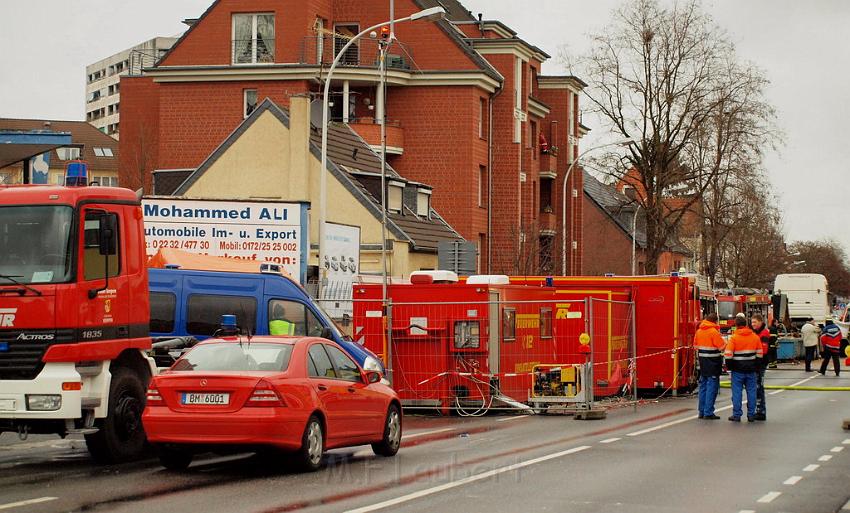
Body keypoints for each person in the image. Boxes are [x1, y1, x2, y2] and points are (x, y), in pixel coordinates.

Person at [724, 316, 763, 422]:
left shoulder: (734, 338)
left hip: (737, 370)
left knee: (737, 393)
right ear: (746, 324)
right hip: (751, 370)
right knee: (751, 392)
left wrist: (730, 367)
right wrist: (756, 366)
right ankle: (751, 415)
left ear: (736, 326)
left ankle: (737, 415)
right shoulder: (755, 337)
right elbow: (760, 354)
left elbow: (728, 355)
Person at [695, 313, 726, 419]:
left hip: (703, 363)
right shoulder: (713, 332)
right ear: (715, 321)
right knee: (712, 388)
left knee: (703, 387)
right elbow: (722, 347)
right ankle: (708, 412)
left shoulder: (699, 331)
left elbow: (695, 346)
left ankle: (701, 411)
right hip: (713, 363)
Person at [750, 314, 770, 421]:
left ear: (760, 322)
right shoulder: (755, 332)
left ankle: (761, 411)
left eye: (755, 322)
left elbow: (763, 350)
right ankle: (758, 409)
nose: (753, 324)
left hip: (761, 363)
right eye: (752, 322)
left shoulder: (764, 333)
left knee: (759, 387)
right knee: (756, 387)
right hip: (756, 363)